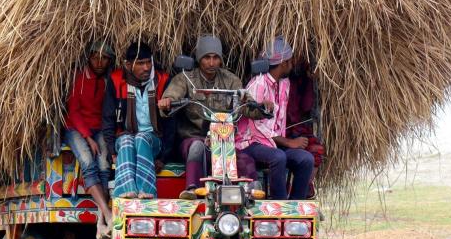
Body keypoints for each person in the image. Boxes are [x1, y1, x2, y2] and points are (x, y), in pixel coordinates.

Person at [158, 34, 257, 199]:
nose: (211, 63)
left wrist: (259, 106)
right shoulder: (186, 79)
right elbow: (172, 97)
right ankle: (192, 189)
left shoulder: (231, 80)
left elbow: (246, 104)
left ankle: (250, 193)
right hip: (192, 138)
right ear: (199, 59)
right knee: (197, 147)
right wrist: (168, 102)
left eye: (216, 57)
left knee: (246, 159)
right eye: (207, 58)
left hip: (223, 140)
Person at [235, 38, 314, 200]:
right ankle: (279, 204)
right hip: (250, 143)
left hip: (271, 143)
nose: (292, 65)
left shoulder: (284, 84)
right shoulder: (258, 84)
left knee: (306, 159)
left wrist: (283, 143)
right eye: (290, 61)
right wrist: (288, 143)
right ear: (284, 63)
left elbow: (279, 122)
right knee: (278, 157)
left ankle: (295, 205)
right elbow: (256, 127)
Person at [102, 41, 171, 199]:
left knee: (141, 137)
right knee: (126, 140)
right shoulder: (116, 81)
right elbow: (108, 119)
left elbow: (171, 123)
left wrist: (163, 157)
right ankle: (125, 192)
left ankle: (147, 191)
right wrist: (112, 150)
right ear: (127, 65)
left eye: (148, 62)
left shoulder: (162, 81)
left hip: (154, 140)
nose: (146, 68)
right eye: (140, 63)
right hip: (125, 136)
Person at [63, 41, 115, 239]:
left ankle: (101, 222)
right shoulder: (78, 78)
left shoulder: (109, 80)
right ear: (88, 58)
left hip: (99, 128)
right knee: (87, 161)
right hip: (75, 127)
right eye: (95, 57)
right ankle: (107, 215)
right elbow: (74, 111)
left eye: (104, 58)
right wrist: (87, 137)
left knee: (104, 165)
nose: (99, 62)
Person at [287, 58, 325, 198]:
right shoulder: (277, 81)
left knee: (316, 148)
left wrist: (310, 80)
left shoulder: (301, 81)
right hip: (279, 132)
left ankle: (307, 184)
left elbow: (307, 106)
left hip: (296, 129)